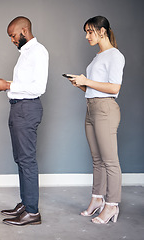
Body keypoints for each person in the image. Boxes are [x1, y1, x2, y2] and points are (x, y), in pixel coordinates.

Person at [0, 16, 48, 226]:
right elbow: (25, 83)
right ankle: (26, 203)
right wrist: (6, 83)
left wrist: (9, 86)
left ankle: (32, 212)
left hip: (27, 109)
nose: (12, 40)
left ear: (24, 30)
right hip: (18, 108)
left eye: (13, 35)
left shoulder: (38, 51)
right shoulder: (25, 53)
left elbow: (39, 88)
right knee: (20, 159)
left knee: (27, 161)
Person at [67, 16, 125, 224]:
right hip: (91, 108)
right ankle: (97, 199)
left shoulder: (115, 56)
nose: (86, 36)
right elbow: (94, 89)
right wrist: (81, 84)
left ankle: (112, 205)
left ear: (102, 31)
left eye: (90, 32)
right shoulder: (98, 57)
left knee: (110, 161)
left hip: (105, 110)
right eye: (86, 32)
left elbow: (114, 88)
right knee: (97, 160)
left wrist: (87, 80)